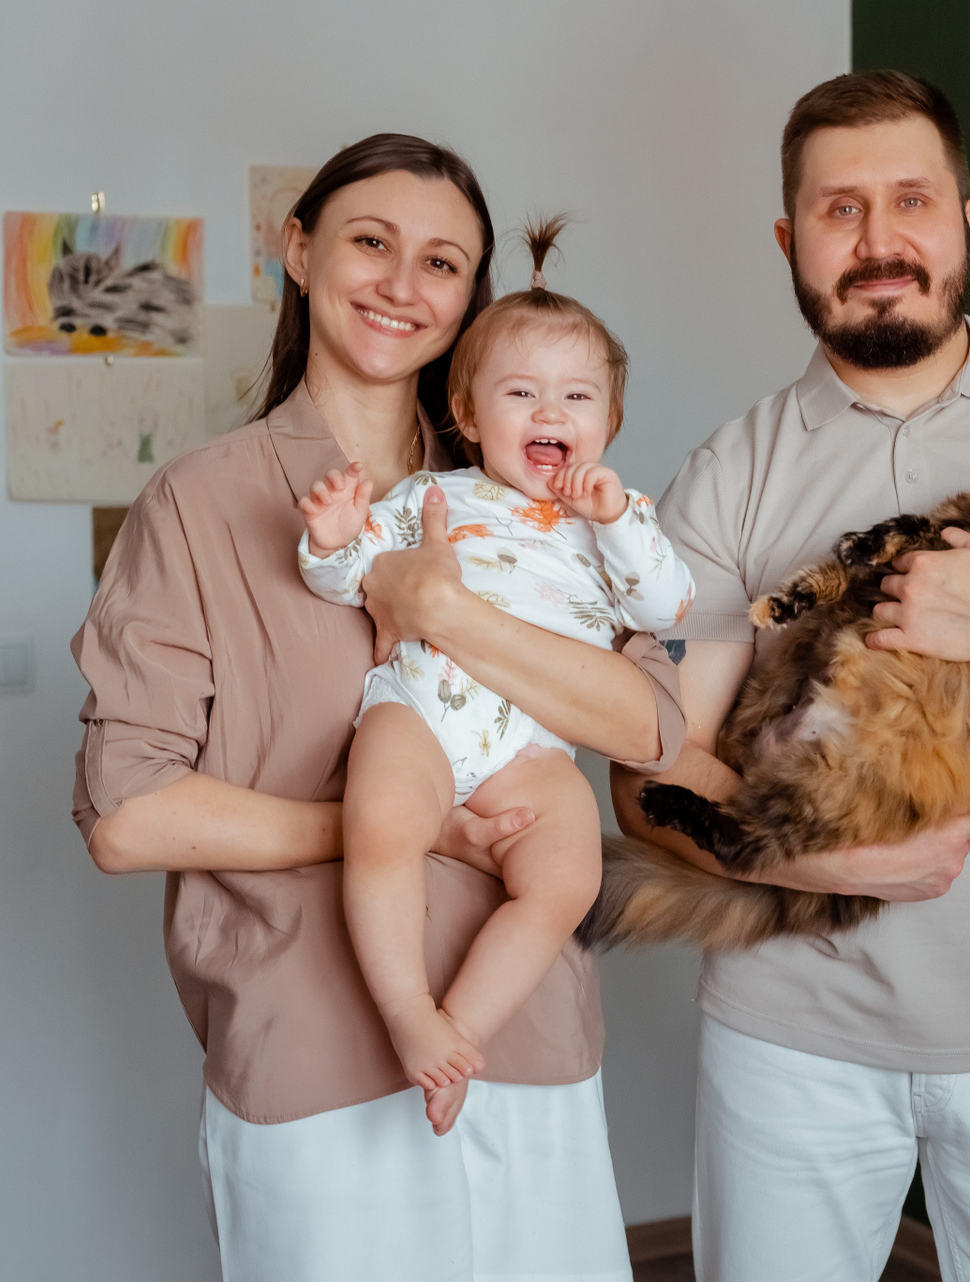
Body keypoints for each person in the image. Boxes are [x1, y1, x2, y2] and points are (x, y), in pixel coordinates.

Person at [72, 134, 683, 1282]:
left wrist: (445, 610)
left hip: (528, 1038)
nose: (404, 283)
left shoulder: (538, 497)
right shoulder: (199, 503)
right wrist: (405, 827)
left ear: (468, 299)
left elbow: (649, 725)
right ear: (299, 251)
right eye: (371, 242)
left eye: (442, 262)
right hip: (313, 1057)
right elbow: (127, 817)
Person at [611, 71, 970, 1281]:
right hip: (789, 1040)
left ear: (968, 225)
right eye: (840, 210)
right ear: (789, 242)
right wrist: (827, 863)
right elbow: (648, 772)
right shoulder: (729, 473)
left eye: (912, 201)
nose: (879, 242)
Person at [297, 217, 694, 1133]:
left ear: (609, 423)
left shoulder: (617, 524)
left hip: (531, 747)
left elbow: (666, 607)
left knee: (569, 878)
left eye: (577, 397)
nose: (550, 413)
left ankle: (460, 1030)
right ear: (470, 417)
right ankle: (407, 1009)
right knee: (383, 823)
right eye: (521, 393)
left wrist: (619, 522)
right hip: (422, 708)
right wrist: (331, 539)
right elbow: (350, 579)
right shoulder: (431, 497)